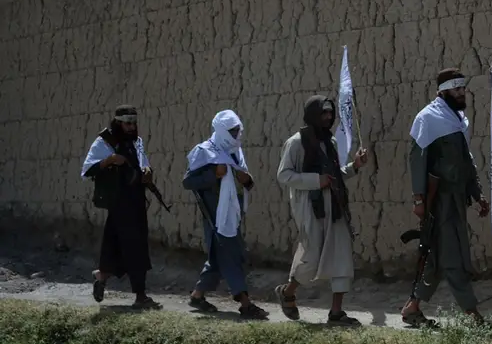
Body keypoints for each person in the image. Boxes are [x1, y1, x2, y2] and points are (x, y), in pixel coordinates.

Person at [400, 68, 491, 327]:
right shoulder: (428, 118)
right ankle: (472, 315)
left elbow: (466, 161)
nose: (462, 93)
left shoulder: (458, 120)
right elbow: (417, 160)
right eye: (456, 89)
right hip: (438, 201)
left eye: (463, 88)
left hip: (457, 198)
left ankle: (412, 308)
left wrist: (477, 194)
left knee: (436, 258)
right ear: (443, 91)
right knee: (453, 256)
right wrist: (419, 200)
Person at [274, 95, 370, 326]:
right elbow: (284, 175)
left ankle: (336, 312)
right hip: (310, 207)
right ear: (312, 115)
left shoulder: (330, 142)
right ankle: (287, 291)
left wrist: (355, 166)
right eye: (323, 113)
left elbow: (334, 176)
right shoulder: (295, 143)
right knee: (311, 255)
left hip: (335, 206)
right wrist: (316, 181)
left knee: (342, 256)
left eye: (330, 113)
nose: (328, 117)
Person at [182, 110, 269, 320]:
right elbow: (188, 181)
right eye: (232, 131)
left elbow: (245, 182)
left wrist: (247, 180)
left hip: (232, 215)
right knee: (232, 256)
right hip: (215, 217)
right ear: (222, 131)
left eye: (238, 130)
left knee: (218, 258)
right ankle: (245, 303)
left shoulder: (235, 151)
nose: (236, 134)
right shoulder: (205, 151)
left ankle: (197, 295)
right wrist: (214, 174)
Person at [79, 105, 161, 310]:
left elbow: (143, 163)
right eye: (127, 123)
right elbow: (87, 170)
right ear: (118, 123)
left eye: (134, 123)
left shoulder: (136, 142)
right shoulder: (104, 142)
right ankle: (140, 296)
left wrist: (147, 170)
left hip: (135, 200)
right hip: (119, 201)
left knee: (116, 244)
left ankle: (101, 275)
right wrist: (110, 160)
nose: (131, 127)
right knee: (135, 246)